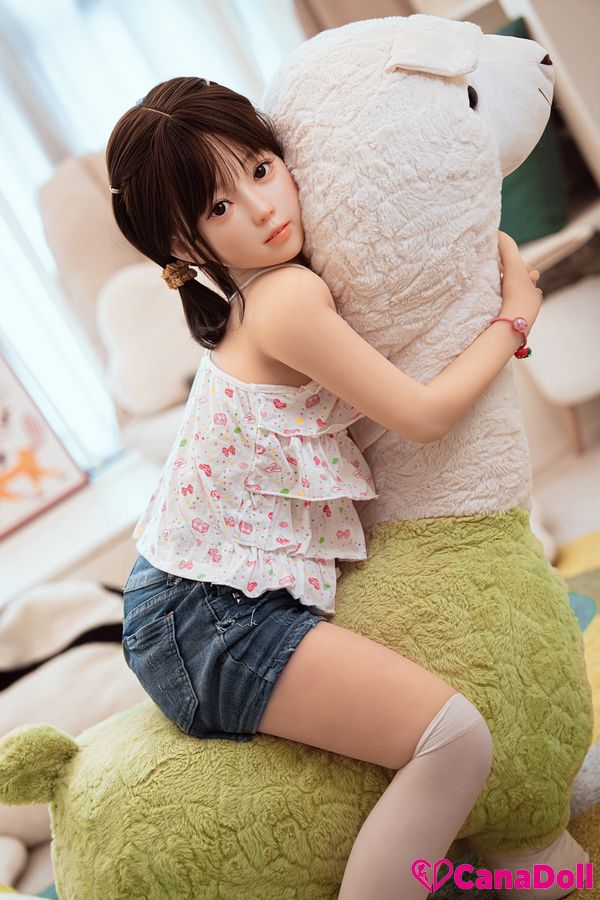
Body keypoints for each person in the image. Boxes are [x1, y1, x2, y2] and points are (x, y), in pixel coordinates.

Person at [107, 76, 542, 899]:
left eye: (260, 169)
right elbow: (423, 416)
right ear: (184, 244)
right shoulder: (286, 301)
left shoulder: (266, 296)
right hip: (203, 614)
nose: (262, 208)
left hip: (188, 600)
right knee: (454, 739)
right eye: (219, 207)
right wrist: (514, 314)